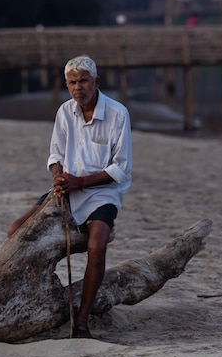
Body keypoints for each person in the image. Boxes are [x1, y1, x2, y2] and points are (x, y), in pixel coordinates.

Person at [8, 55, 132, 339]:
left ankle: (83, 321)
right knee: (16, 230)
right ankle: (31, 298)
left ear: (96, 82)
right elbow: (55, 155)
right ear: (67, 85)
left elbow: (120, 169)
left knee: (97, 245)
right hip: (68, 188)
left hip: (102, 193)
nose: (78, 87)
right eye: (72, 82)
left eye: (84, 81)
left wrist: (81, 182)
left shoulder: (118, 114)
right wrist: (58, 177)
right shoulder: (65, 112)